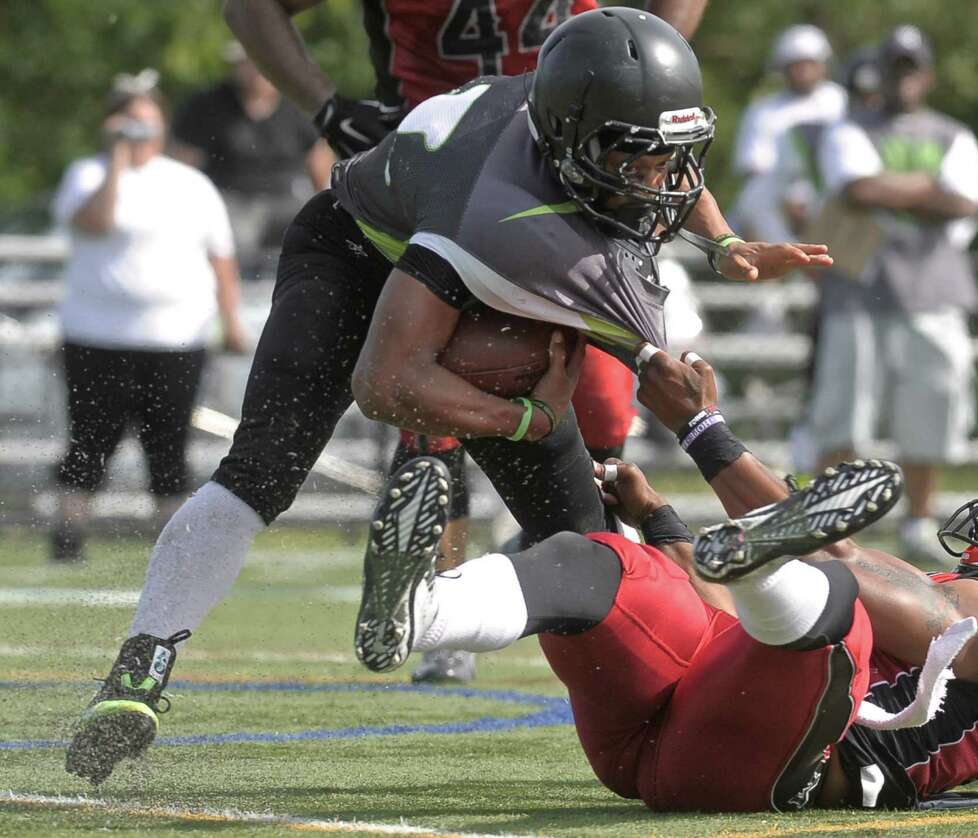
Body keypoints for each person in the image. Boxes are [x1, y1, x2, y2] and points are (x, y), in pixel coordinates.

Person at [65, 9, 831, 784]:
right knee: (262, 469)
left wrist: (724, 241)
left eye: (673, 154)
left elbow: (651, 150)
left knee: (591, 548)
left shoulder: (576, 113)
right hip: (358, 254)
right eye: (637, 159)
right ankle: (144, 661)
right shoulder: (503, 221)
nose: (660, 182)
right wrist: (523, 417)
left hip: (467, 264)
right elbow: (386, 383)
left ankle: (595, 679)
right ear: (574, 140)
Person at [344, 346, 978, 811]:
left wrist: (703, 429)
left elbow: (876, 587)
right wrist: (664, 525)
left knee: (842, 607)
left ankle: (770, 555)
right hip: (684, 739)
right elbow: (728, 618)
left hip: (786, 765)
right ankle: (415, 612)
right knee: (609, 563)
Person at [223, 0, 710, 681]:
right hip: (454, 185)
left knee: (599, 427)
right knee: (434, 413)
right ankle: (440, 607)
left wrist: (646, 84)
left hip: (576, 167)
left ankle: (530, 573)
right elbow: (252, 7)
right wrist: (327, 106)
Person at [48, 71, 247, 564]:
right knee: (90, 442)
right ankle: (68, 537)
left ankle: (174, 547)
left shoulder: (191, 184)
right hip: (97, 336)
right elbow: (95, 223)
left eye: (147, 124)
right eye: (129, 123)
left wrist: (232, 322)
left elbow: (221, 257)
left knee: (168, 446)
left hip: (176, 338)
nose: (140, 134)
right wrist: (116, 159)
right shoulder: (88, 175)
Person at [810, 25, 978, 563]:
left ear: (926, 76)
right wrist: (928, 190)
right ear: (880, 73)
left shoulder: (954, 134)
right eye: (895, 67)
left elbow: (967, 203)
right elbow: (856, 188)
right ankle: (823, 522)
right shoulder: (848, 127)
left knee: (932, 406)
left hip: (935, 289)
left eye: (912, 68)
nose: (903, 78)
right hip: (859, 288)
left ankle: (918, 520)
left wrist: (894, 186)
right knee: (844, 411)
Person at [171, 43, 335, 277]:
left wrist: (328, 209)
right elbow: (183, 165)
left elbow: (319, 160)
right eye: (249, 64)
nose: (256, 71)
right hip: (231, 198)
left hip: (287, 197)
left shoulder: (299, 105)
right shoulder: (207, 106)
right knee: (233, 238)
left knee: (313, 233)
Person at [730, 24, 846, 243]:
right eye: (796, 65)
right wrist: (789, 199)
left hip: (832, 194)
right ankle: (777, 263)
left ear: (823, 65)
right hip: (779, 202)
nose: (803, 71)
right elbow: (755, 168)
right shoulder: (763, 110)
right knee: (752, 197)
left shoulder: (841, 102)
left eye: (809, 63)